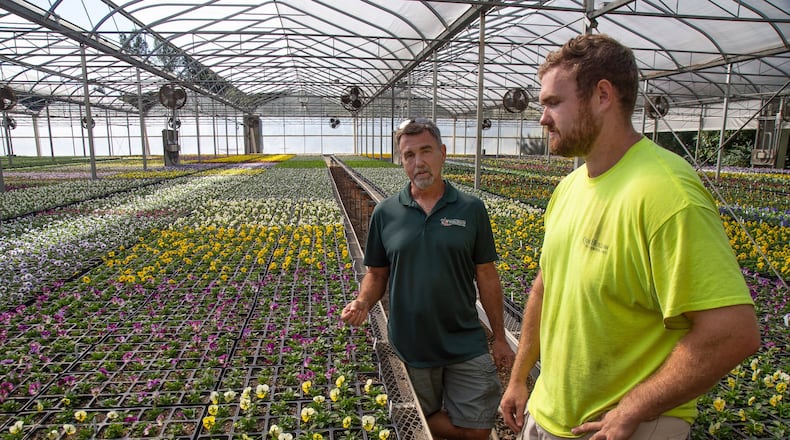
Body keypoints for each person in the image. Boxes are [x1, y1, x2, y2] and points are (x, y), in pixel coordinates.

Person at [500, 34, 761, 440]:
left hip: (621, 428)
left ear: (603, 95)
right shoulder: (569, 188)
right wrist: (519, 378)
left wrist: (635, 406)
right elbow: (543, 289)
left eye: (553, 102)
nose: (542, 117)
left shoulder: (666, 192)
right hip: (550, 414)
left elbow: (734, 331)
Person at [341, 117, 515, 440]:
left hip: (465, 340)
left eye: (426, 151)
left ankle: (415, 414)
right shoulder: (386, 213)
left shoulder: (471, 209)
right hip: (413, 344)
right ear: (401, 160)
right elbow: (377, 274)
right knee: (421, 423)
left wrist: (501, 337)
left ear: (443, 153)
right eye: (409, 155)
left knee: (477, 430)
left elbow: (487, 276)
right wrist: (364, 300)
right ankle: (415, 415)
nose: (418, 162)